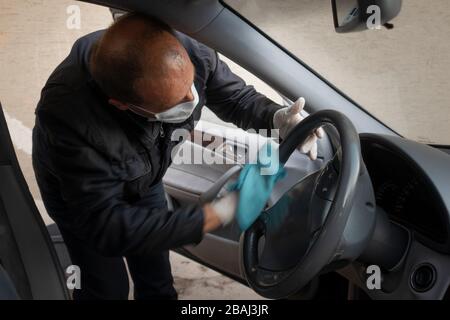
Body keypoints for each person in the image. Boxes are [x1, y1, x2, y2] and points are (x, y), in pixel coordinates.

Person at [32, 12, 322, 300]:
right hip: (81, 201)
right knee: (107, 289)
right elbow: (108, 226)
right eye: (172, 103)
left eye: (190, 86)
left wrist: (276, 119)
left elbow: (235, 99)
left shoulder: (189, 48)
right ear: (121, 104)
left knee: (157, 281)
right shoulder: (68, 117)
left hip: (146, 179)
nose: (191, 99)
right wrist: (219, 213)